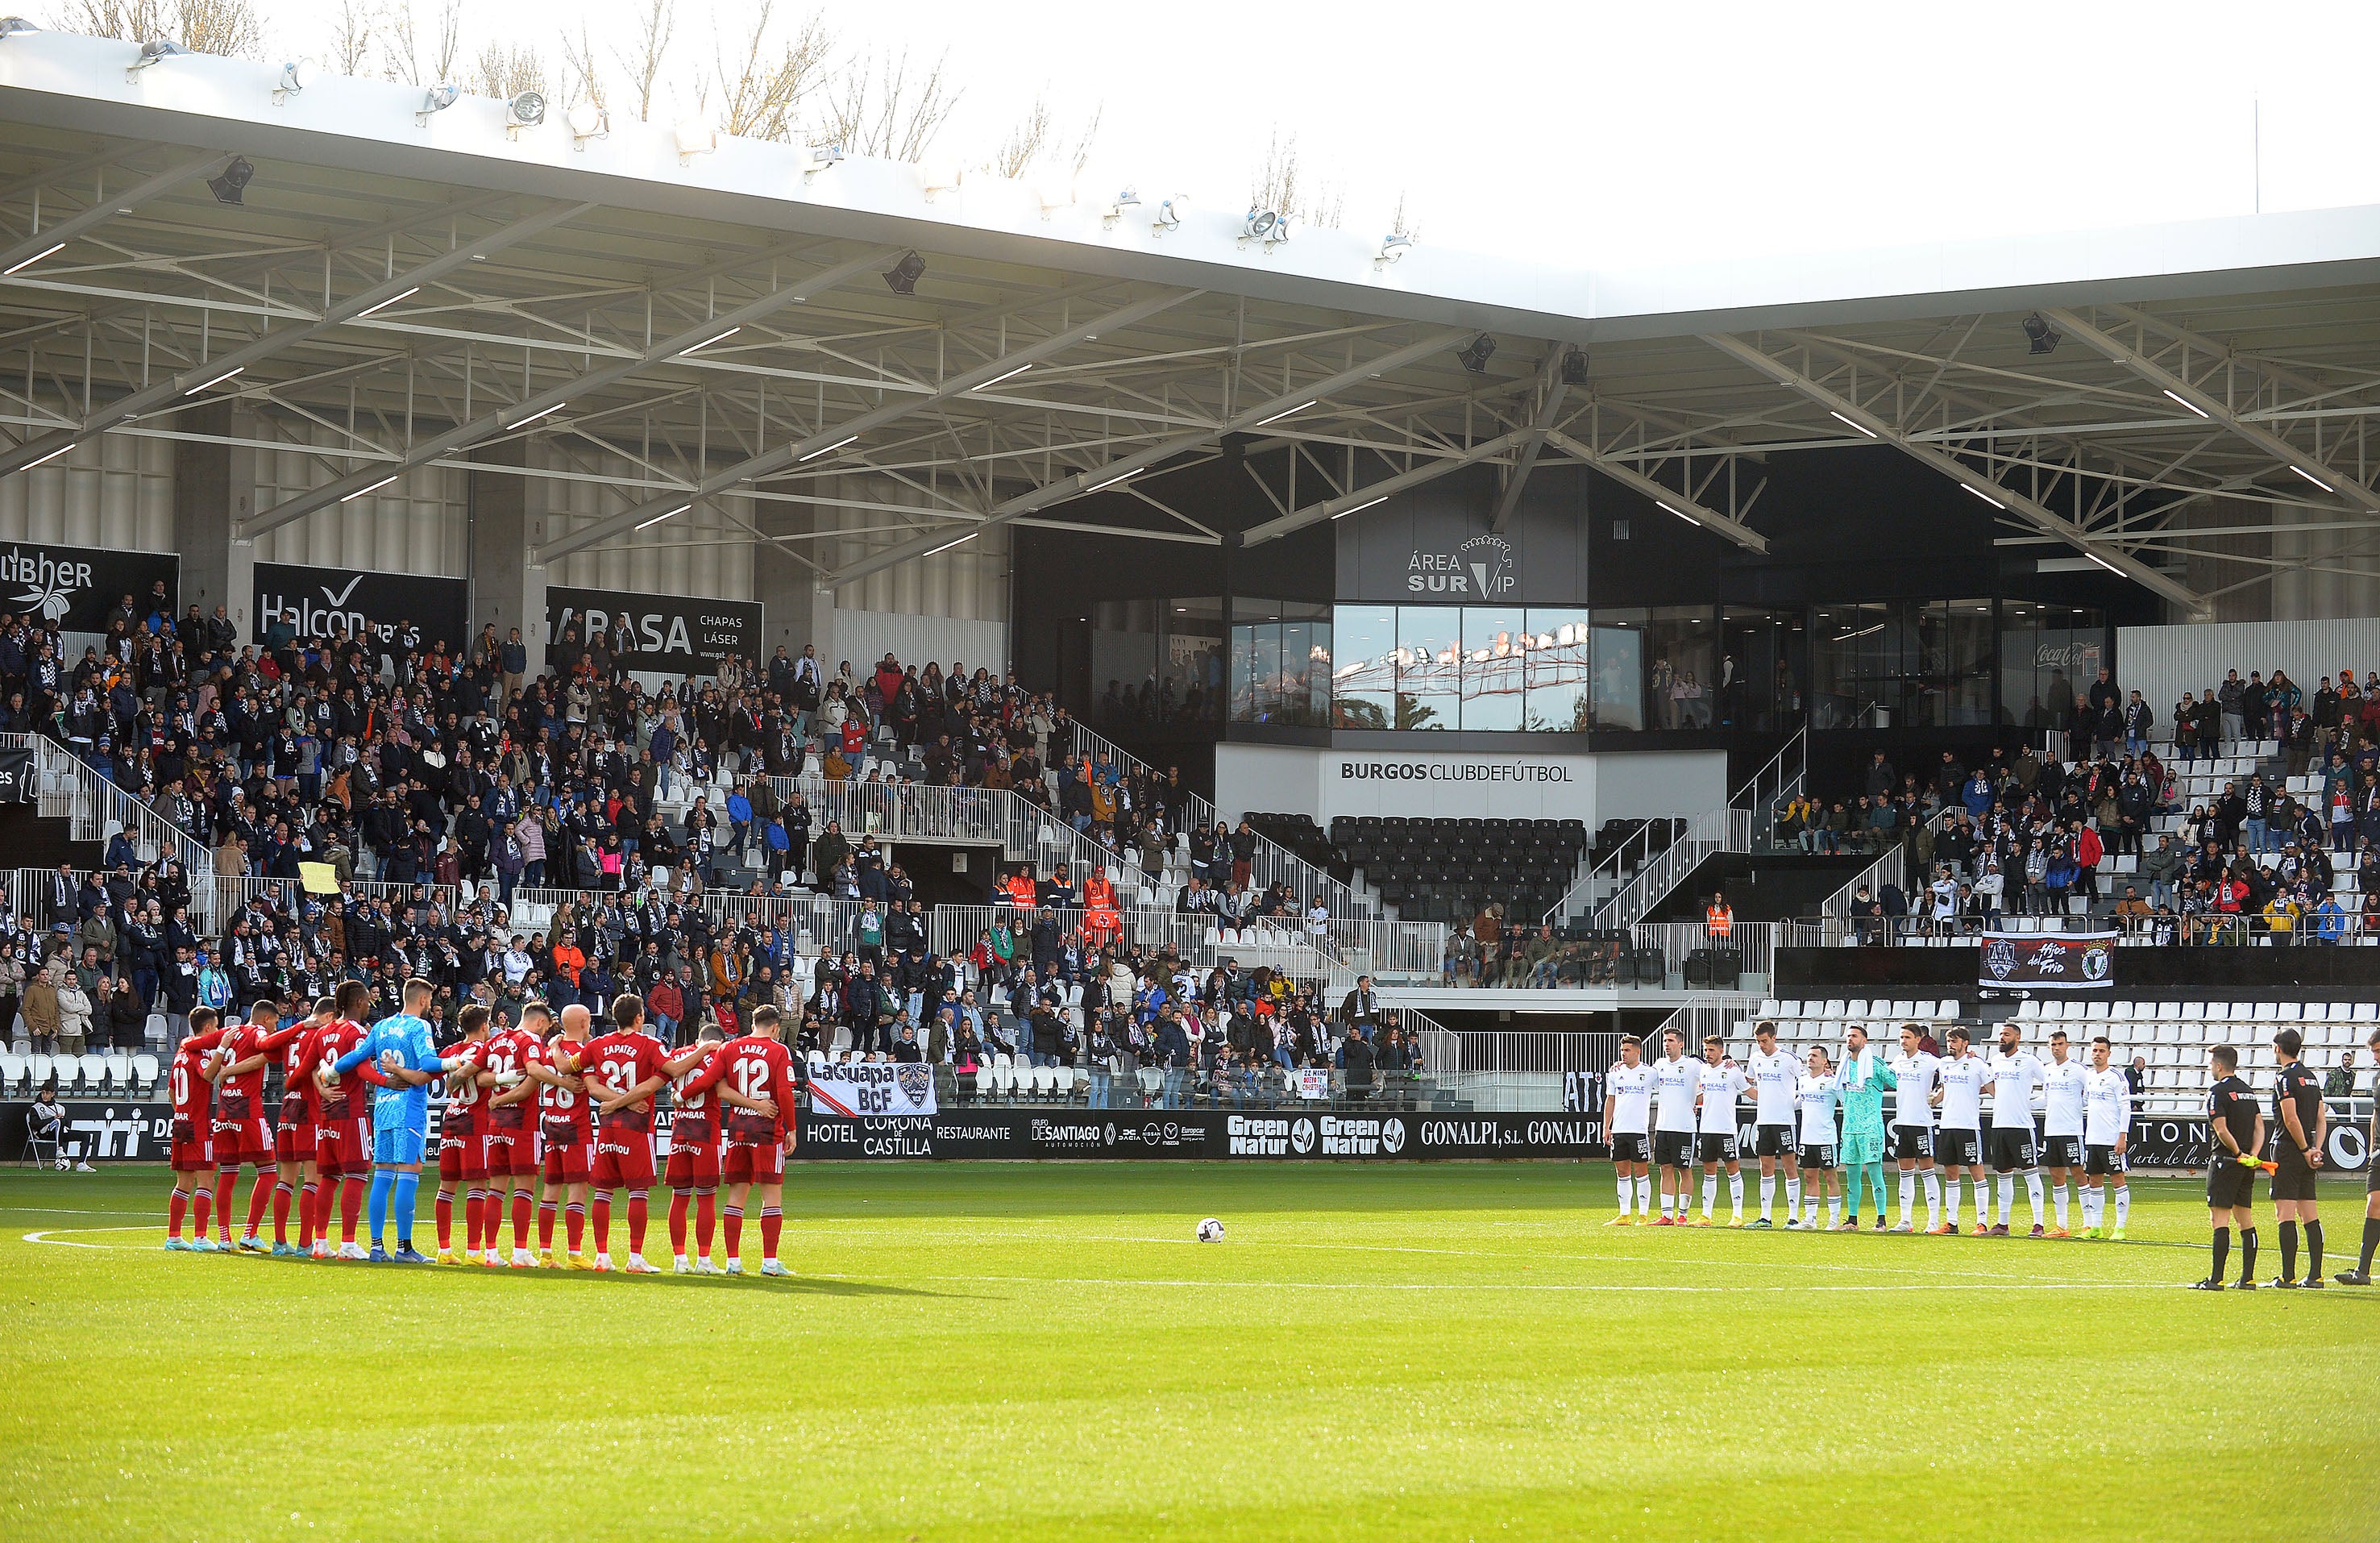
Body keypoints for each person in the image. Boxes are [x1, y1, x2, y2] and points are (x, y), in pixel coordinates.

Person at [332, 976, 471, 1262]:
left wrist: (330, 1072)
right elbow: (429, 1063)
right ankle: (404, 1248)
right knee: (410, 1173)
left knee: (382, 1177)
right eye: (429, 1000)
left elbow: (355, 1057)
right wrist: (454, 1062)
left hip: (382, 1107)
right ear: (422, 1000)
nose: (430, 1005)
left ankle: (375, 1247)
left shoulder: (381, 1026)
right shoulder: (419, 1025)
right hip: (408, 1107)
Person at [685, 1002, 800, 1276]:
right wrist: (791, 1128)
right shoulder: (779, 1050)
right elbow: (784, 1093)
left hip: (738, 1129)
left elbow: (716, 1085)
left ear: (752, 1025)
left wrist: (681, 1096)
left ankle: (733, 1262)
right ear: (775, 1028)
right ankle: (770, 1263)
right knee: (771, 1197)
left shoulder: (730, 1047)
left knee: (736, 1197)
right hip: (766, 1130)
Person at [575, 992, 671, 1274]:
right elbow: (664, 1075)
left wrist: (614, 1102)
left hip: (607, 1128)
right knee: (638, 1192)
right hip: (637, 1128)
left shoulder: (597, 1045)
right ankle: (635, 1257)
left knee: (603, 1193)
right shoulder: (650, 1044)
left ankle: (602, 1256)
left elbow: (587, 1083)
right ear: (639, 1018)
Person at [211, 1000, 304, 1253]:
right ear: (265, 1019)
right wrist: (301, 1026)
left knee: (228, 1173)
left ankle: (223, 1237)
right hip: (247, 1109)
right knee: (268, 1171)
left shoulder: (234, 1032)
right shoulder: (258, 1032)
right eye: (275, 1022)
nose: (275, 1027)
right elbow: (264, 1050)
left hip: (224, 1109)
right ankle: (250, 1233)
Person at [523, 1001, 596, 1267]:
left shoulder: (547, 1052)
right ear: (585, 1024)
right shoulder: (584, 1052)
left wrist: (554, 1047)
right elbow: (589, 1083)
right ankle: (575, 1254)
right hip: (576, 1129)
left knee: (550, 1192)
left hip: (552, 1126)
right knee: (577, 1192)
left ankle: (545, 1254)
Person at [479, 1001, 549, 1268]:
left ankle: (491, 1252)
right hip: (521, 1123)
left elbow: (481, 1078)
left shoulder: (497, 1041)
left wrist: (497, 1095)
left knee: (495, 1190)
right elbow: (529, 1085)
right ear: (540, 1022)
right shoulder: (530, 1042)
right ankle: (520, 1251)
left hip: (495, 1125)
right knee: (523, 1189)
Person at [307, 984, 373, 1260]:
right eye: (368, 1000)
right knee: (356, 1175)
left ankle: (320, 1242)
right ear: (359, 1001)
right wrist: (388, 1078)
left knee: (329, 1178)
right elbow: (362, 1068)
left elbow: (310, 1065)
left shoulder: (324, 1031)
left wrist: (321, 1089)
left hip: (327, 1113)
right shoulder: (356, 1032)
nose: (369, 1005)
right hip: (351, 1111)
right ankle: (348, 1243)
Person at [2193, 1043, 2264, 1291]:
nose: (2209, 1067)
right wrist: (2252, 1155)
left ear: (2220, 1065)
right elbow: (2260, 1127)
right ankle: (2248, 1279)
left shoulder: (2217, 1092)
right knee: (2245, 1219)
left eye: (2210, 1063)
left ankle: (2216, 1279)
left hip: (2225, 1162)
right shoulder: (2248, 1091)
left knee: (2219, 1219)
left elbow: (2221, 1129)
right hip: (2246, 1165)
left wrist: (2237, 1153)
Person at [661, 1024, 729, 1274]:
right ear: (718, 1042)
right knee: (706, 1198)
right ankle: (704, 1260)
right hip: (705, 1131)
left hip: (680, 1131)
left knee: (679, 1197)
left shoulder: (678, 1054)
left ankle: (679, 1259)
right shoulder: (718, 1056)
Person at [430, 1004, 493, 1266]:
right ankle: (473, 1250)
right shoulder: (485, 1051)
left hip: (452, 1119)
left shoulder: (451, 1051)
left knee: (446, 1188)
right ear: (483, 1026)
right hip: (475, 1123)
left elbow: (445, 1079)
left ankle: (444, 1250)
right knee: (477, 1187)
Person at [162, 1009, 227, 1250]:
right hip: (197, 1124)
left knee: (184, 1182)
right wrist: (221, 1052)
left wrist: (181, 1111)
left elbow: (171, 1090)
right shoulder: (198, 1052)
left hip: (180, 1121)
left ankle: (174, 1236)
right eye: (217, 1026)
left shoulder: (181, 1053)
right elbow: (209, 1074)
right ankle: (200, 1237)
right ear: (209, 1029)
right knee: (207, 1180)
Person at [2266, 1027, 2327, 1289]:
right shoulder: (2311, 1078)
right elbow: (2321, 1118)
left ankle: (2288, 1276)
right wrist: (2316, 1149)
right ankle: (2316, 1275)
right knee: (2310, 1214)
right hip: (2308, 1151)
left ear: (2278, 1048)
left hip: (2289, 1151)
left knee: (2286, 1214)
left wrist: (2304, 1149)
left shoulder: (2283, 1079)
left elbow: (2290, 1118)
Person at [1983, 1024, 2048, 1237]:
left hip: (2022, 1127)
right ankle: (2003, 1224)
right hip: (1999, 1125)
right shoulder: (1995, 1060)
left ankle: (2038, 1224)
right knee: (2002, 1175)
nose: (2002, 1038)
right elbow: (1988, 1084)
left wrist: (2032, 1105)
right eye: (2001, 1034)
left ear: (2017, 1038)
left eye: (2006, 1034)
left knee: (2030, 1174)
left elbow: (2051, 1084)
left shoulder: (2030, 1061)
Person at [1835, 1025, 1895, 1230]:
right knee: (1851, 1175)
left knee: (1874, 1172)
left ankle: (1881, 1219)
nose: (1850, 1039)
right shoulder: (1843, 1064)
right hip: (1850, 1126)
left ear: (1865, 1040)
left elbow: (1895, 1081)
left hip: (1870, 1126)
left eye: (1854, 1036)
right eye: (1848, 1036)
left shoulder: (1874, 1064)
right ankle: (1852, 1219)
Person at [1888, 1024, 1944, 1233]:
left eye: (1908, 1037)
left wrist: (1938, 1095)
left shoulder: (1930, 1061)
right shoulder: (1898, 1061)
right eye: (1901, 1037)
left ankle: (1933, 1221)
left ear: (1918, 1039)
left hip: (1922, 1123)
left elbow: (1950, 1071)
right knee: (1905, 1173)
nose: (1903, 1041)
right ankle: (1905, 1220)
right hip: (1902, 1123)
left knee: (1928, 1171)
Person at [1744, 1022, 1801, 1228]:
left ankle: (1793, 1217)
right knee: (1765, 1167)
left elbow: (1805, 1081)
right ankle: (1765, 1217)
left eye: (1765, 1041)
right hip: (1764, 1121)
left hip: (1784, 1121)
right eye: (1758, 1042)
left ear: (1774, 1038)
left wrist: (1795, 1104)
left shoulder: (1789, 1059)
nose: (1761, 1045)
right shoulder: (1755, 1058)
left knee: (1789, 1167)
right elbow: (1747, 1081)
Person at [1935, 1026, 1992, 1234]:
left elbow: (1992, 1087)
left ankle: (1982, 1222)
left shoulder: (1977, 1064)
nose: (1951, 1045)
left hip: (1968, 1125)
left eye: (1955, 1041)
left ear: (1965, 1043)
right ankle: (1952, 1223)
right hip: (1948, 1124)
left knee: (1976, 1172)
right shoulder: (1944, 1063)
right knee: (1951, 1173)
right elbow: (1944, 1089)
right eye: (1949, 1041)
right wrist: (1933, 1101)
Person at [2337, 1024, 2380, 1284]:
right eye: (2374, 1052)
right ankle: (2362, 1271)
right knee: (2373, 1203)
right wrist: (2373, 1147)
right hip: (2379, 1153)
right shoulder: (2378, 1078)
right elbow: (2376, 1114)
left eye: (2378, 1051)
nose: (2375, 1057)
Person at [1693, 1034, 1749, 1226]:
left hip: (1726, 1129)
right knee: (1709, 1172)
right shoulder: (1703, 1070)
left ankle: (1737, 1215)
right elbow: (1702, 1096)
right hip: (1707, 1128)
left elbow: (1749, 1090)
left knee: (1733, 1171)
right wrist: (1693, 1102)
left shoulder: (1732, 1070)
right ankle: (1706, 1215)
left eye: (1711, 1050)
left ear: (1721, 1051)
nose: (1707, 1054)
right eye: (1706, 1050)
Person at [2039, 1029, 2091, 1237]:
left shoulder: (2079, 1070)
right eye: (2053, 1045)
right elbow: (2046, 1098)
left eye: (2060, 1044)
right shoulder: (2047, 1070)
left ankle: (2089, 1224)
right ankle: (2062, 1225)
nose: (2056, 1048)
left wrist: (2075, 1107)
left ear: (2067, 1045)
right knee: (2056, 1177)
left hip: (2072, 1130)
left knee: (2079, 1173)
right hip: (2052, 1130)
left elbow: (2089, 1096)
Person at [2080, 1035, 2133, 1240]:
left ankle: (2120, 1228)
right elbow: (2084, 1101)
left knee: (2118, 1179)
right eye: (2094, 1050)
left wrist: (2122, 1136)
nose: (2097, 1054)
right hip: (2092, 1138)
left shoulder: (2116, 1077)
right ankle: (2096, 1226)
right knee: (2094, 1181)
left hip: (2111, 1139)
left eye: (2101, 1051)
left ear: (2109, 1054)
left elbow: (2125, 1107)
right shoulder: (2089, 1076)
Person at [1647, 1029, 1700, 1225]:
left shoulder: (1692, 1065)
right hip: (1663, 1126)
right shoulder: (1659, 1065)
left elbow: (1712, 1073)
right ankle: (1667, 1215)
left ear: (1681, 1044)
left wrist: (1729, 1063)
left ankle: (1683, 1215)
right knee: (1665, 1169)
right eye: (1664, 1041)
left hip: (1685, 1127)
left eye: (1670, 1040)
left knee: (1684, 1170)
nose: (1666, 1044)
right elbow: (1642, 1077)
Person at [1602, 1036, 1653, 1225]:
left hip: (1638, 1130)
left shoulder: (1649, 1073)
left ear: (1638, 1051)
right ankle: (1624, 1214)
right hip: (1619, 1130)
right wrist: (1606, 1126)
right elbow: (1611, 1100)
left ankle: (1643, 1214)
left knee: (1641, 1172)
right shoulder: (1615, 1072)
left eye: (1628, 1050)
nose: (1624, 1054)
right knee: (1622, 1173)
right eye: (1622, 1050)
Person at [1792, 1046, 1842, 1230]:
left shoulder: (1832, 1082)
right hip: (1807, 1137)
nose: (1810, 1059)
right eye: (1809, 1056)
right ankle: (1810, 1219)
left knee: (1830, 1177)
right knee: (1809, 1177)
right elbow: (1798, 1103)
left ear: (1824, 1061)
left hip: (1826, 1138)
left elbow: (1846, 1099)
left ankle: (1834, 1220)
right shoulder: (1803, 1080)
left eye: (1814, 1056)